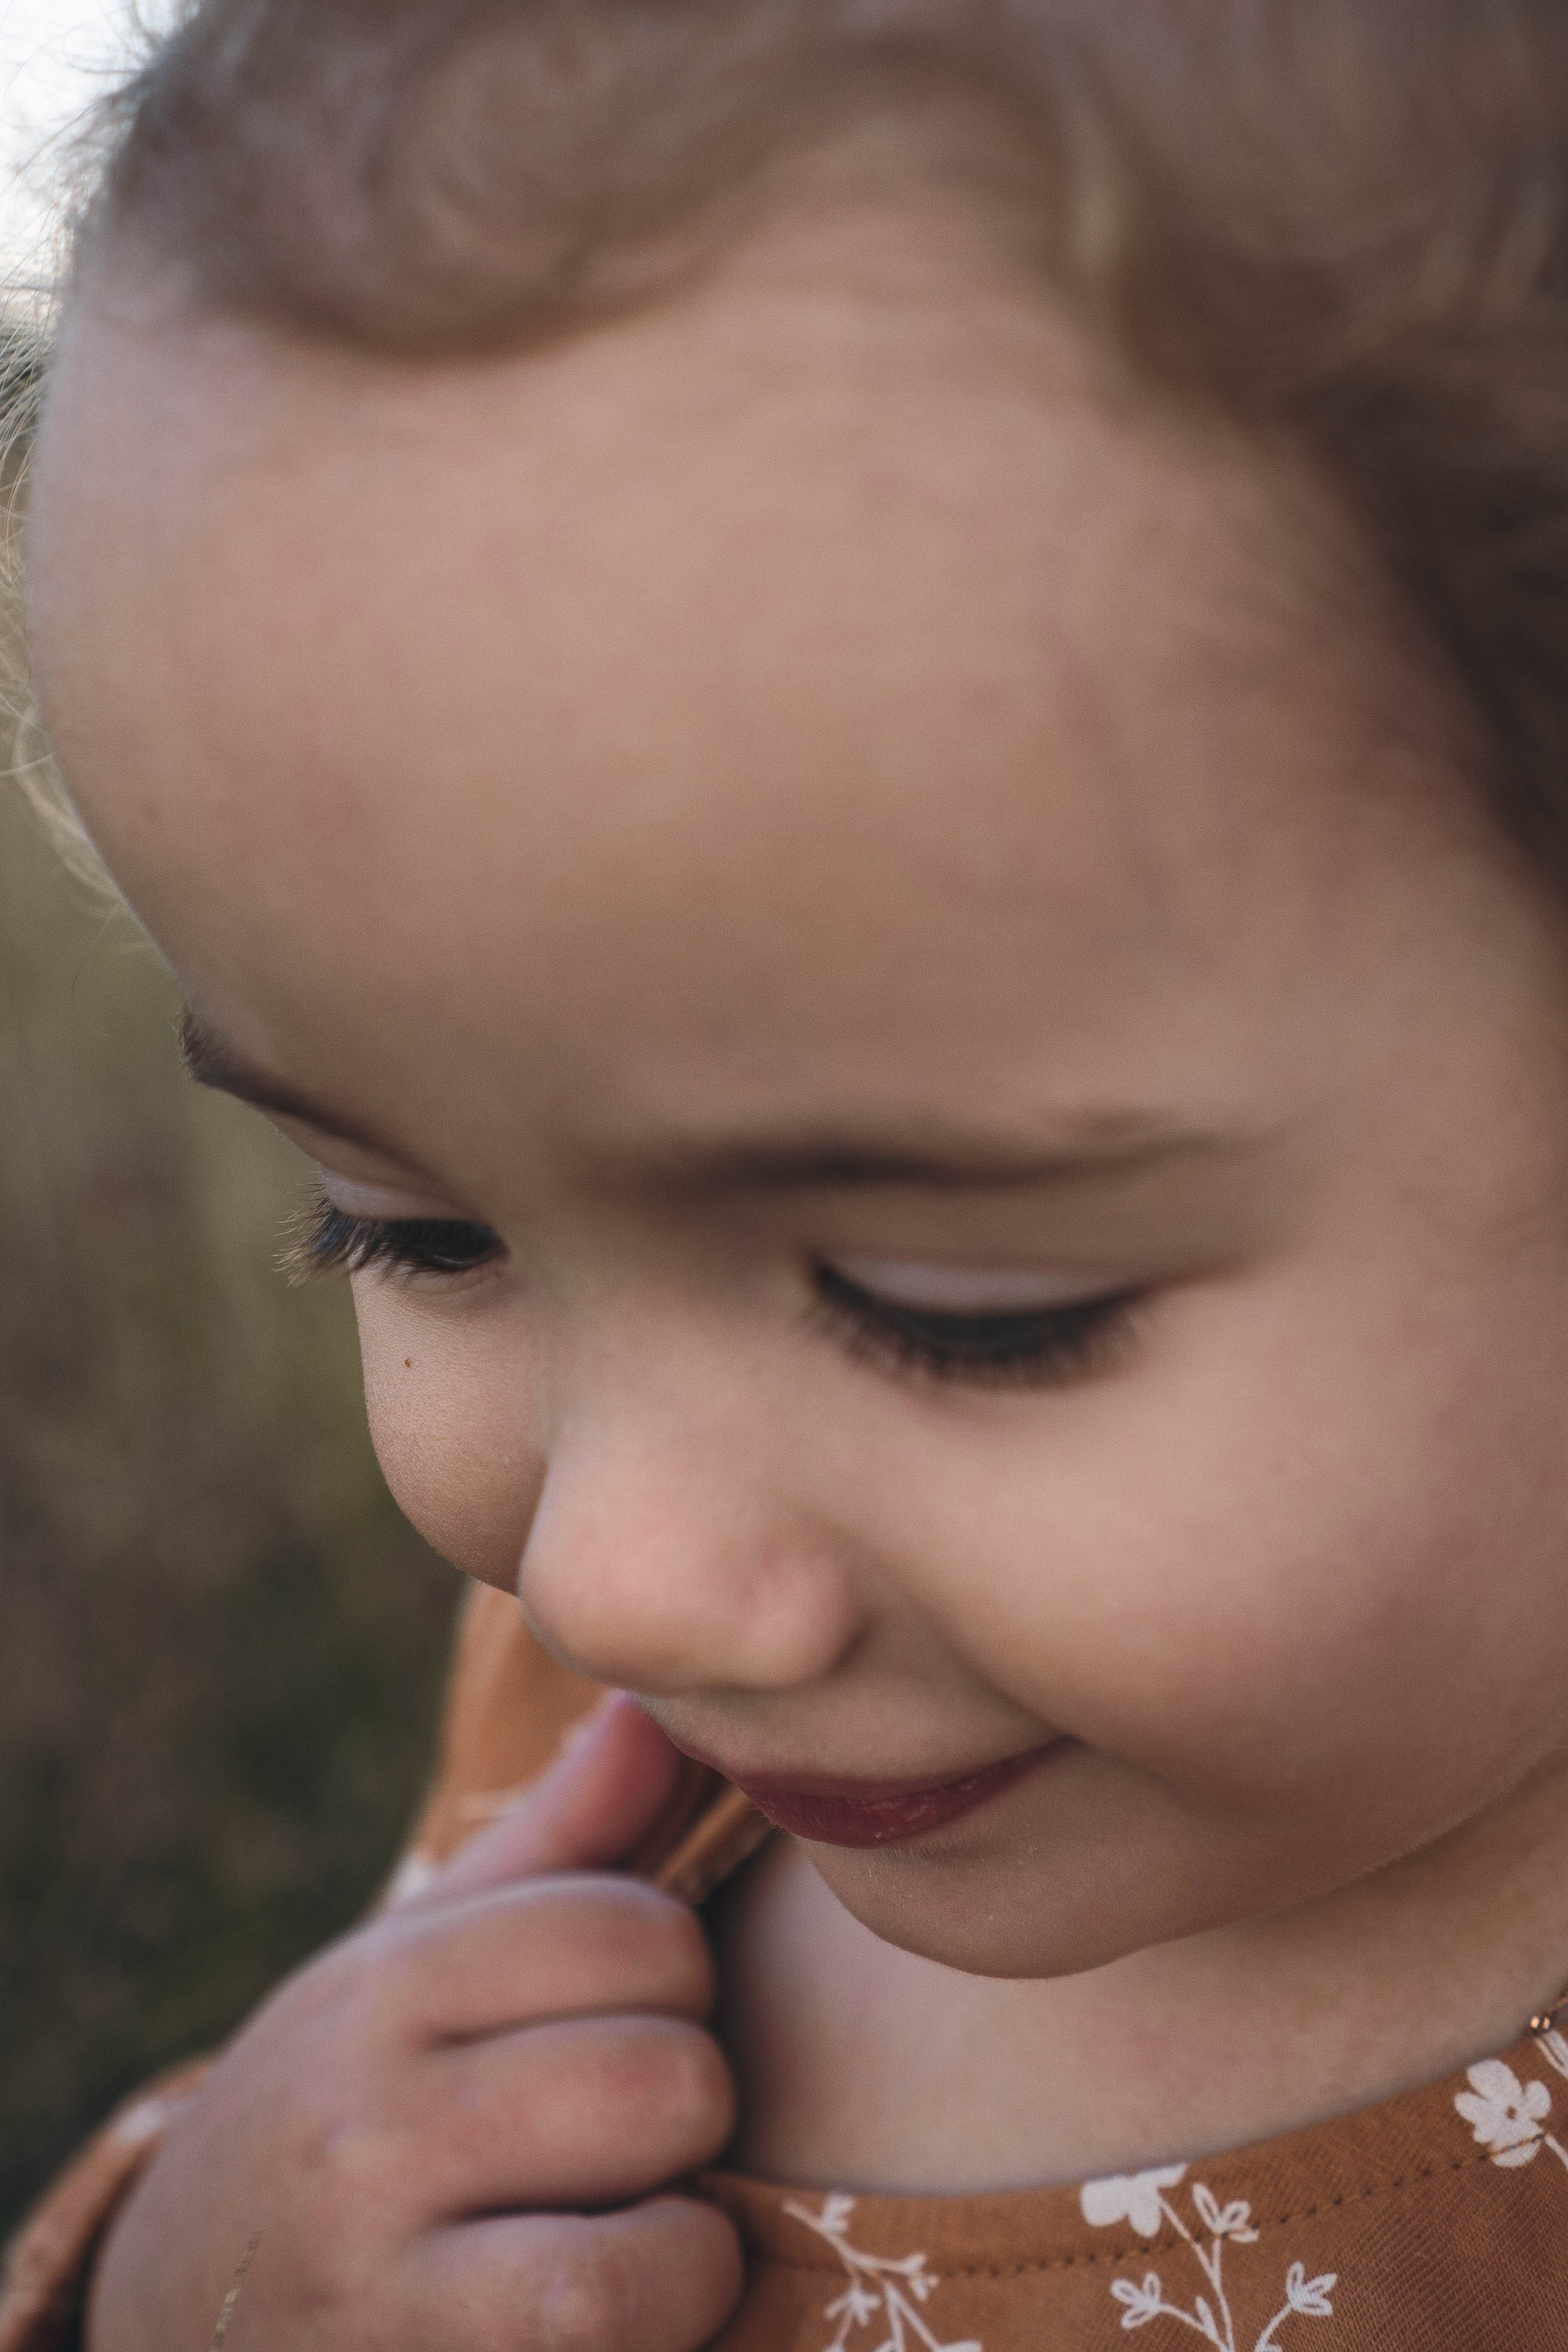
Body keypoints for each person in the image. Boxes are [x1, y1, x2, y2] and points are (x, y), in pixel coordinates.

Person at [7, 1, 1568, 2345]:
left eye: (958, 1303)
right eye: (411, 1225)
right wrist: (183, 2278)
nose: (609, 1571)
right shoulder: (621, 1742)